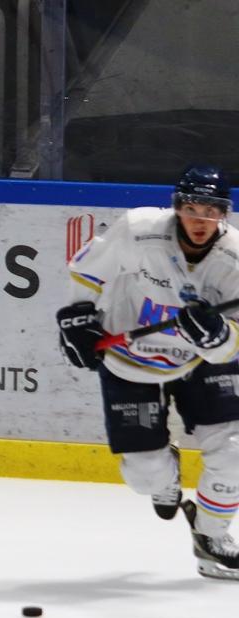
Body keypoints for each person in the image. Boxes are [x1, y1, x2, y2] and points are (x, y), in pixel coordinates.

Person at [57, 164, 239, 580]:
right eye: (192, 209)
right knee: (145, 476)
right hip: (131, 356)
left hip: (201, 360)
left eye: (210, 211)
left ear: (223, 214)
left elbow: (235, 342)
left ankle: (211, 538)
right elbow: (88, 271)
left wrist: (217, 336)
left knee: (235, 453)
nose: (200, 220)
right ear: (177, 207)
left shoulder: (235, 258)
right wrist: (77, 315)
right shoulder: (140, 229)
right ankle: (163, 470)